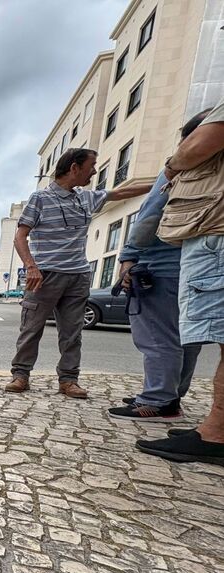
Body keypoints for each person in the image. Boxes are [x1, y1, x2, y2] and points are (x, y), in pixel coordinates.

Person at [5, 148, 153, 398]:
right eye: (92, 166)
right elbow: (20, 236)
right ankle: (20, 375)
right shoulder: (40, 198)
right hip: (44, 276)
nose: (95, 171)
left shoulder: (86, 198)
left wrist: (165, 178)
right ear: (74, 168)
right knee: (31, 328)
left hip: (78, 276)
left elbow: (121, 192)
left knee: (72, 332)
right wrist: (31, 266)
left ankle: (68, 379)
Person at [136, 99, 224, 466]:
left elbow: (148, 215)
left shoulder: (196, 151)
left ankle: (210, 431)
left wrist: (173, 166)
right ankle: (210, 425)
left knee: (169, 337)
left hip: (211, 235)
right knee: (189, 337)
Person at [109, 110, 211, 422]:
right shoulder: (213, 174)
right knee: (185, 340)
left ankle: (157, 400)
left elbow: (148, 220)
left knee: (157, 337)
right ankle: (171, 396)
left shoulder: (178, 172)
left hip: (161, 269)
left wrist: (128, 257)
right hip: (196, 269)